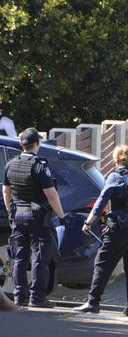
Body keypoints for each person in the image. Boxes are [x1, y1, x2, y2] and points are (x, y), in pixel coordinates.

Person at [3, 128, 67, 308]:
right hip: (37, 217)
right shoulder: (39, 166)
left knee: (19, 258)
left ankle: (19, 296)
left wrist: (10, 211)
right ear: (37, 144)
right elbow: (52, 195)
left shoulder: (11, 164)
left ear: (21, 144)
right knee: (40, 258)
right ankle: (37, 298)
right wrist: (62, 216)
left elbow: (6, 191)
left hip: (17, 216)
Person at [73, 145, 128, 315]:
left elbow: (102, 202)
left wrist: (89, 222)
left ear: (115, 159)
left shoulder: (114, 177)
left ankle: (93, 302)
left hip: (117, 228)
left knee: (102, 264)